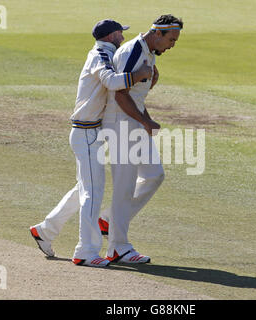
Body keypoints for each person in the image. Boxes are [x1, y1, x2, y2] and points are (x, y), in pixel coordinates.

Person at [29, 19, 152, 267]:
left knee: (83, 189)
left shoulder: (107, 52)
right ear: (110, 36)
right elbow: (113, 82)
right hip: (85, 133)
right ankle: (85, 251)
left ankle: (45, 230)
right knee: (92, 193)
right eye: (120, 33)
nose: (122, 37)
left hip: (91, 132)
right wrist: (140, 74)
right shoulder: (100, 54)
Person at [98, 14, 183, 264]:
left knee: (155, 174)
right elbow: (120, 94)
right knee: (124, 188)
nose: (172, 45)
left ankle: (109, 220)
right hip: (120, 124)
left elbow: (135, 96)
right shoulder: (134, 50)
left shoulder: (149, 52)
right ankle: (118, 247)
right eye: (171, 39)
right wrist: (144, 121)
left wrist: (146, 116)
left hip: (132, 121)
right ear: (157, 33)